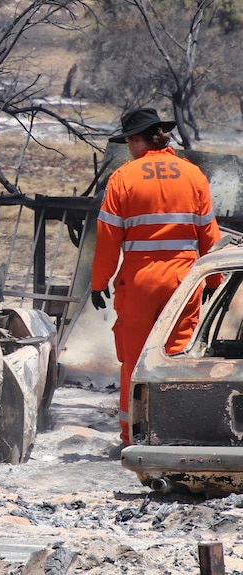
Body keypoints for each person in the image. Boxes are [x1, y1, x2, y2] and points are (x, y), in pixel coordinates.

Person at [91, 107, 221, 447]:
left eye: (129, 142)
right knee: (176, 358)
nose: (128, 148)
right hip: (184, 281)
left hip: (138, 281)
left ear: (137, 139)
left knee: (134, 362)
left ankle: (131, 438)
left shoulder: (124, 177)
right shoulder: (193, 175)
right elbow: (209, 235)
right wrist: (212, 282)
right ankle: (174, 436)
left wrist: (98, 282)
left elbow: (107, 239)